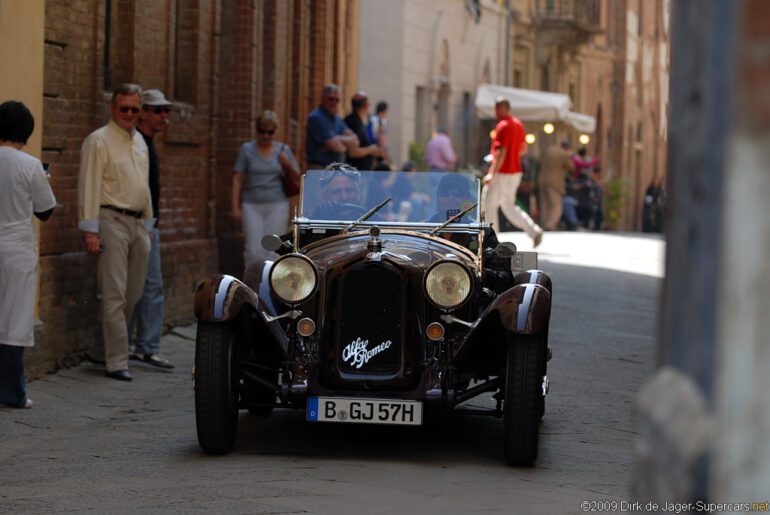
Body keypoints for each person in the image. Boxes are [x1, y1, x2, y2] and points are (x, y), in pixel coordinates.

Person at [78, 83, 153, 382]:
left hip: (138, 224)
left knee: (133, 293)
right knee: (114, 294)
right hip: (110, 219)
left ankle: (100, 349)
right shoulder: (98, 140)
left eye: (135, 109)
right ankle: (117, 360)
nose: (130, 114)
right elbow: (88, 185)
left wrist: (148, 224)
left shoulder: (141, 142)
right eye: (125, 108)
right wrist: (90, 230)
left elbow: (143, 185)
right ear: (113, 107)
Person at [0, 100, 56, 409]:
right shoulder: (30, 165)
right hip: (16, 249)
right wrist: (46, 182)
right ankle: (11, 392)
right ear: (26, 132)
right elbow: (45, 211)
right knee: (13, 320)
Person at [127, 89, 174, 369]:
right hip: (143, 224)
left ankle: (142, 345)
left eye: (166, 110)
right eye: (157, 110)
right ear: (143, 112)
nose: (164, 116)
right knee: (150, 286)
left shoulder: (146, 143)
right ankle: (147, 347)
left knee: (143, 286)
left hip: (148, 223)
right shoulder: (137, 143)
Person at [232, 110, 300, 268]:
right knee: (253, 250)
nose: (266, 136)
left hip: (277, 204)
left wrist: (286, 164)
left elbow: (297, 176)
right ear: (257, 130)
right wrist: (234, 206)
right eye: (262, 132)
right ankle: (252, 286)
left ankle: (271, 287)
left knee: (274, 249)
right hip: (251, 204)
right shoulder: (246, 150)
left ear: (275, 131)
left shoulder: (282, 150)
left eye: (270, 132)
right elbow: (237, 178)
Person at [482, 96, 543, 247]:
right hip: (515, 171)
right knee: (508, 206)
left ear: (502, 108)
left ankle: (492, 243)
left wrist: (492, 173)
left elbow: (501, 152)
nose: (494, 110)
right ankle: (533, 231)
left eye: (496, 107)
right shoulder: (518, 124)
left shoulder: (503, 126)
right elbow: (523, 149)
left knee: (488, 204)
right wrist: (512, 158)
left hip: (502, 172)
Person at [306, 84, 360, 169]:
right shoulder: (316, 117)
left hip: (335, 171)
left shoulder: (337, 119)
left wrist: (338, 139)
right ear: (322, 98)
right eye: (330, 99)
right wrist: (344, 143)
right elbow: (337, 148)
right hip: (319, 169)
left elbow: (355, 142)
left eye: (337, 100)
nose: (334, 102)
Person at [343, 91, 382, 171]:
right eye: (368, 105)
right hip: (354, 173)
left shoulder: (363, 122)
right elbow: (352, 152)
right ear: (364, 107)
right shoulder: (352, 123)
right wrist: (371, 150)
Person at [539, 140, 573, 230]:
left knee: (544, 204)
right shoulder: (563, 154)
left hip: (543, 180)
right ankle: (550, 225)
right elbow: (571, 167)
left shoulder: (548, 150)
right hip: (555, 183)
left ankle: (543, 223)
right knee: (556, 205)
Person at [368, 101, 390, 165]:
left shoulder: (371, 118)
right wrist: (384, 153)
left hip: (368, 146)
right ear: (384, 111)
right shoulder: (381, 120)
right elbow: (381, 135)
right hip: (377, 148)